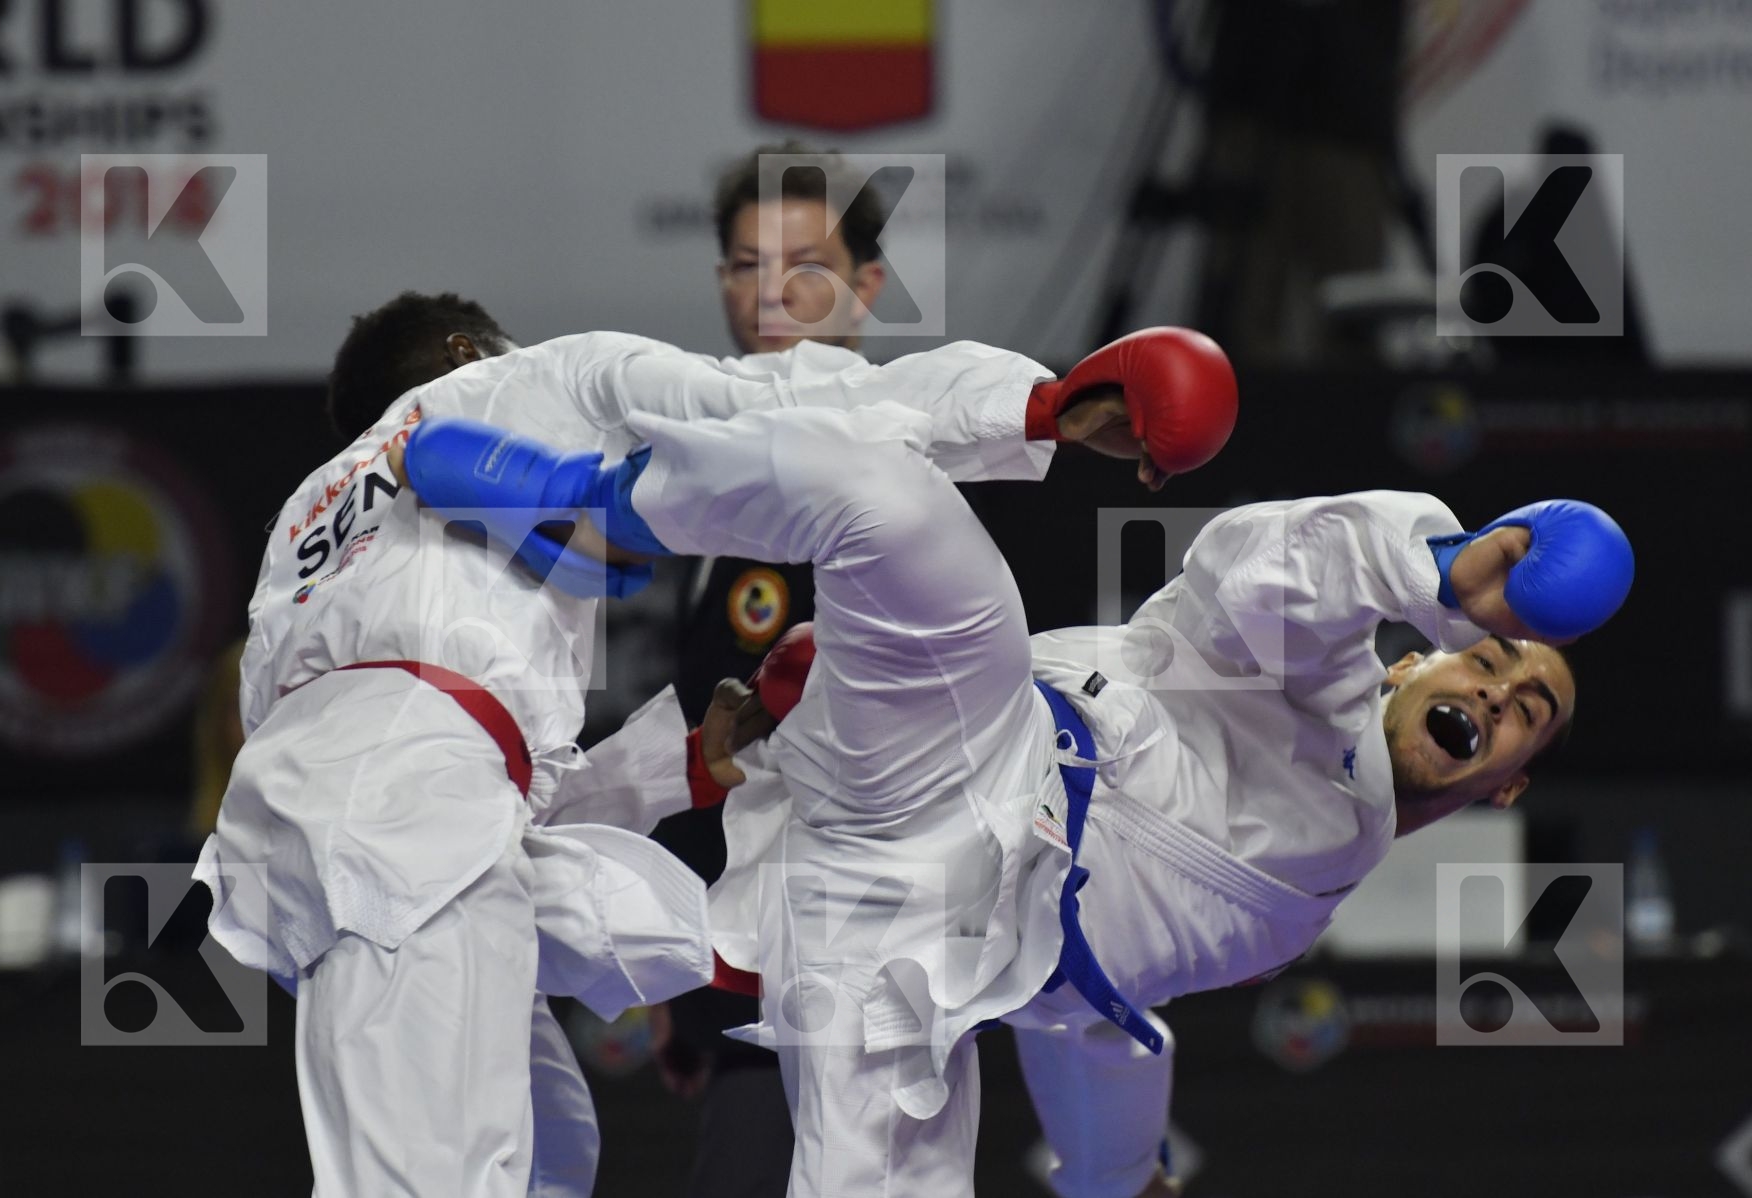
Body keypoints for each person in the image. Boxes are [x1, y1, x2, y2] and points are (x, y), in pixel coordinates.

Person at [391, 389, 1628, 1198]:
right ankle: (595, 504)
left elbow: (1098, 1017)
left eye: (1531, 708)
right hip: (977, 743)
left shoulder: (1312, 878)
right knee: (893, 503)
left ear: (1510, 784)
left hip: (918, 971)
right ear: (1410, 656)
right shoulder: (1318, 688)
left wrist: (1119, 1171)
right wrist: (1434, 566)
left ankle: (380, 870)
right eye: (1494, 654)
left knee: (512, 904)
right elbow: (1267, 576)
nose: (1500, 685)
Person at [195, 289, 1222, 1196]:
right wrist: (1036, 408)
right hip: (408, 821)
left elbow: (403, 758)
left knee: (549, 1145)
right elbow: (794, 408)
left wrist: (680, 767)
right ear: (470, 348)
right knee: (432, 1178)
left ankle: (770, 958)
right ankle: (808, 955)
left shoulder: (304, 522)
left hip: (318, 842)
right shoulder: (528, 377)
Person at [653, 141, 893, 1198]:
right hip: (742, 970)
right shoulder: (702, 464)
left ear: (868, 285)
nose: (773, 291)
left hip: (868, 963)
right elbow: (700, 727)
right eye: (748, 263)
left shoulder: (901, 467)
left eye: (805, 261)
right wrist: (681, 964)